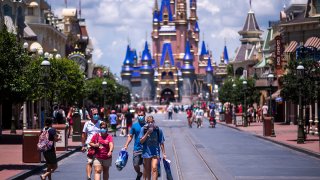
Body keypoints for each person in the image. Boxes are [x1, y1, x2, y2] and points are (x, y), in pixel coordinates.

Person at [139, 116, 166, 180]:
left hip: (155, 152)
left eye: (152, 122)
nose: (150, 123)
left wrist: (164, 153)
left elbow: (161, 143)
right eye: (149, 122)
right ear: (146, 122)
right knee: (148, 170)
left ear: (154, 122)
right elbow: (141, 141)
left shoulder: (158, 130)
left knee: (154, 168)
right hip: (146, 152)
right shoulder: (143, 129)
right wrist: (147, 133)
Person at [123, 110, 146, 180]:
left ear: (144, 115)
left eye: (142, 115)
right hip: (137, 148)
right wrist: (126, 145)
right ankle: (139, 173)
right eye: (139, 115)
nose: (140, 117)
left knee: (146, 166)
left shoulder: (147, 125)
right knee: (135, 164)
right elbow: (130, 136)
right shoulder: (134, 125)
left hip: (146, 149)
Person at [82, 108, 102, 180]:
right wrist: (83, 145)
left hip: (99, 146)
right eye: (94, 114)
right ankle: (89, 177)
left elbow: (105, 134)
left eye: (97, 114)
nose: (96, 115)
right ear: (91, 115)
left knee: (97, 163)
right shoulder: (87, 124)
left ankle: (96, 176)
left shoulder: (101, 123)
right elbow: (84, 135)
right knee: (89, 162)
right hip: (89, 145)